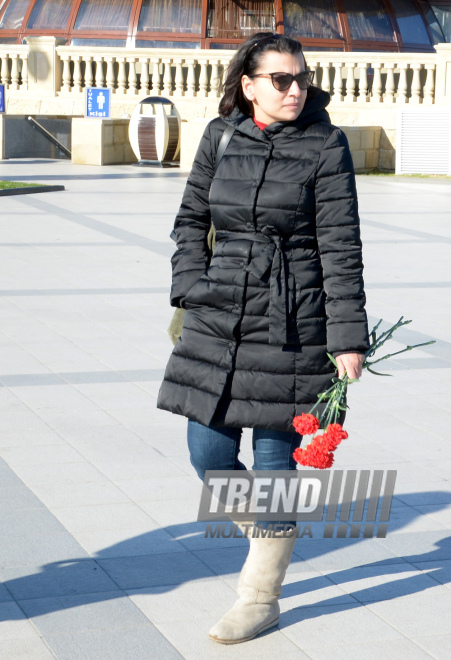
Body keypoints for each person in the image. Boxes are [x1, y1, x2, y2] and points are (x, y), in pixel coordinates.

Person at [157, 32, 369, 644]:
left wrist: (347, 339)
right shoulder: (221, 136)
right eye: (281, 79)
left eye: (300, 77)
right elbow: (191, 217)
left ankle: (259, 597)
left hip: (292, 322)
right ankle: (274, 533)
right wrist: (191, 284)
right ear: (248, 85)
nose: (295, 88)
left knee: (275, 465)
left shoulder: (326, 145)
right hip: (216, 315)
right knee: (208, 453)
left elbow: (341, 247)